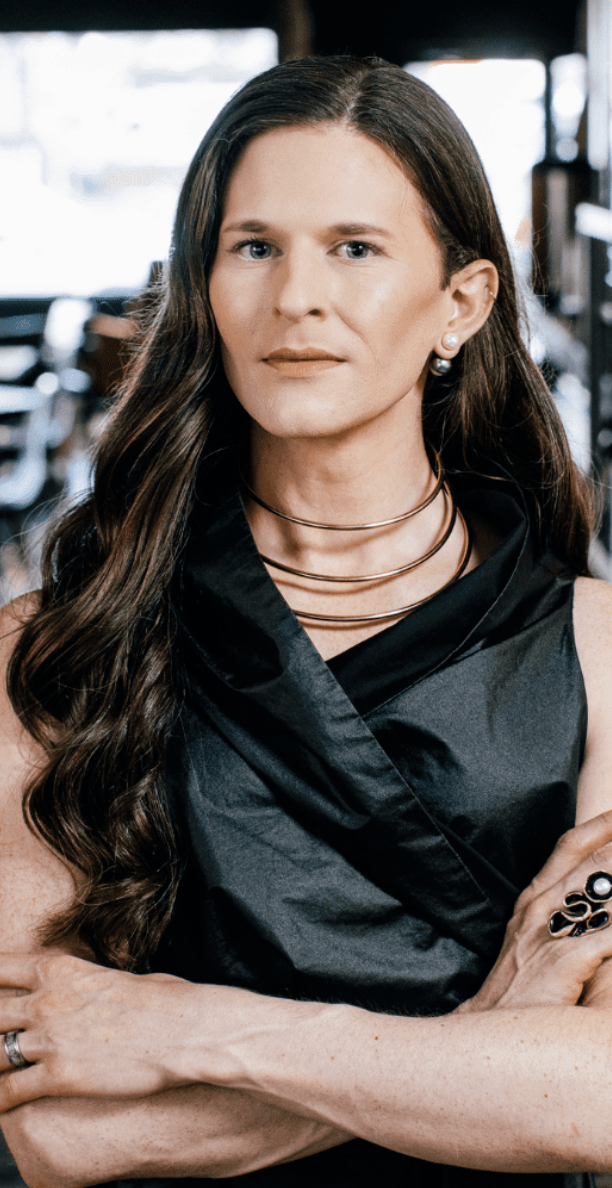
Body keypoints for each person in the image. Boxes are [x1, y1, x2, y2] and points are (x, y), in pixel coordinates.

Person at [2, 53, 612, 1188]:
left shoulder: (599, 650)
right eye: (255, 247)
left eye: (356, 249)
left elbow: (596, 1098)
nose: (296, 299)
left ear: (463, 301)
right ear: (206, 282)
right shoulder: (50, 648)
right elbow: (46, 1130)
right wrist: (485, 1029)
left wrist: (185, 1030)